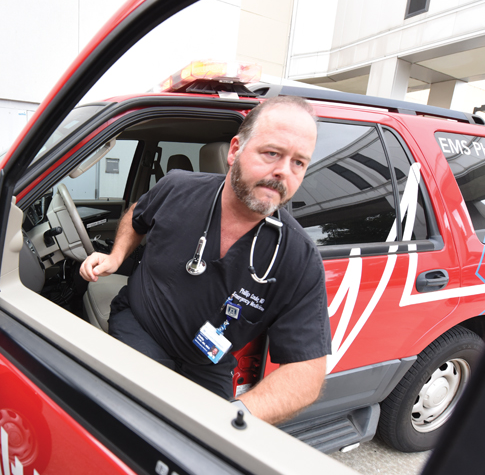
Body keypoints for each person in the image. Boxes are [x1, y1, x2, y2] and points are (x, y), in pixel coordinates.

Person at [79, 97, 331, 424]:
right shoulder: (178, 188)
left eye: (299, 162)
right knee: (145, 423)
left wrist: (236, 417)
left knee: (206, 443)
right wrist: (116, 256)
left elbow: (307, 371)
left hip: (208, 362)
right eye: (272, 153)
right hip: (142, 328)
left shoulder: (298, 256)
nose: (283, 171)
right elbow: (137, 215)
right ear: (235, 150)